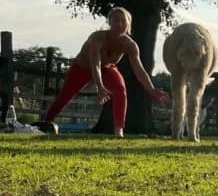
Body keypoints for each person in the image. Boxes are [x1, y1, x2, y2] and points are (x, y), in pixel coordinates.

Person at [39, 7, 169, 137]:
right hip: (82, 67)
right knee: (65, 95)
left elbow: (139, 69)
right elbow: (95, 63)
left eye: (123, 21)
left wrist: (151, 90)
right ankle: (46, 122)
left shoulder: (130, 45)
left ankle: (119, 130)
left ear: (128, 24)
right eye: (115, 20)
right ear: (109, 22)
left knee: (120, 89)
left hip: (107, 68)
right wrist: (100, 87)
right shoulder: (98, 37)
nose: (119, 24)